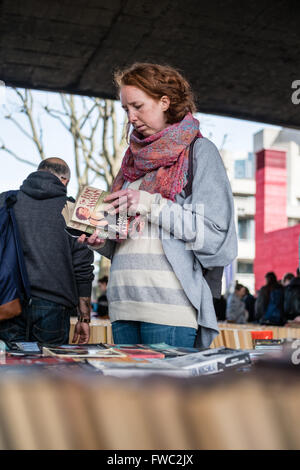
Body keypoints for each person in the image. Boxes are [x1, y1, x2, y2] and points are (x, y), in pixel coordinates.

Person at [78, 62, 237, 348]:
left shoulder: (200, 153)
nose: (131, 117)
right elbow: (129, 241)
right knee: (129, 395)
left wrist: (150, 203)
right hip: (123, 305)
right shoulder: (131, 162)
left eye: (138, 106)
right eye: (126, 109)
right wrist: (99, 239)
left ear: (165, 101)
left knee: (165, 394)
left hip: (169, 309)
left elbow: (214, 236)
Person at [0, 158, 94, 345]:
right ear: (65, 180)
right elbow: (83, 267)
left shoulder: (5, 200)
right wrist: (84, 318)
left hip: (8, 301)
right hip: (54, 306)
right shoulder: (75, 210)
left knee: (9, 370)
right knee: (50, 369)